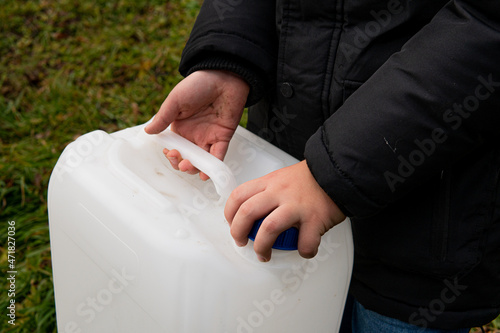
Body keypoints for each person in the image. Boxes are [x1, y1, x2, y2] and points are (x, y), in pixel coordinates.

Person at [145, 0, 500, 331]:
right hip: (286, 174)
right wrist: (229, 55)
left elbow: (486, 26)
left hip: (424, 233)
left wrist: (331, 175)